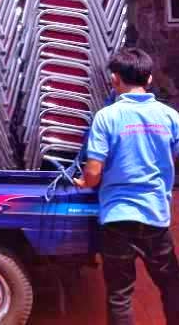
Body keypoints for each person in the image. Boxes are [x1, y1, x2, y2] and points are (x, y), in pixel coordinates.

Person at [74, 47, 179, 325]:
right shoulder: (170, 116)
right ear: (150, 78)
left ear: (114, 79)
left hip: (117, 219)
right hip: (155, 216)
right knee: (171, 285)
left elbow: (93, 172)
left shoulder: (106, 117)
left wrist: (84, 182)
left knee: (120, 294)